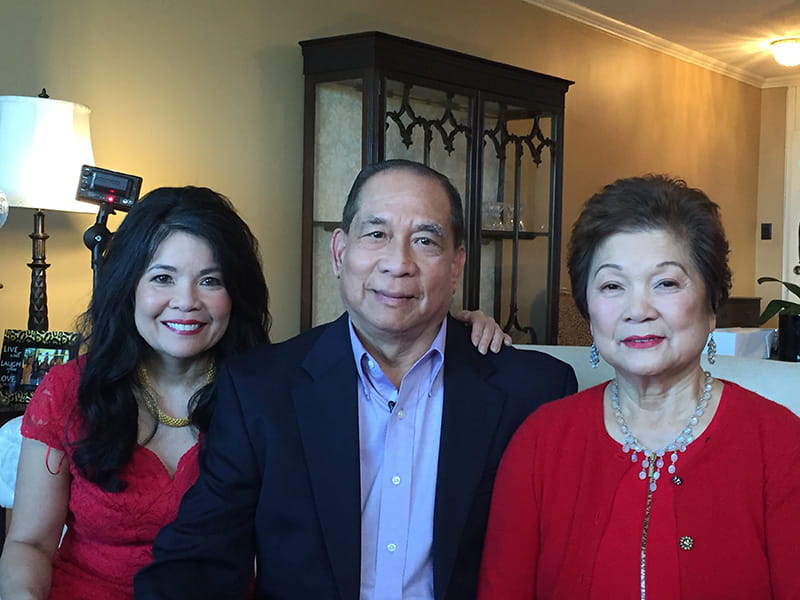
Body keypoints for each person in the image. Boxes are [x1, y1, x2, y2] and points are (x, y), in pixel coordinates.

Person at [0, 184, 509, 600]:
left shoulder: (265, 390)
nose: (186, 302)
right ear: (128, 286)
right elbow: (28, 542)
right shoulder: (72, 389)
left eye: (210, 281)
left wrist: (456, 330)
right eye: (162, 277)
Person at [134, 159, 578, 600]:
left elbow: (560, 567)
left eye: (424, 240)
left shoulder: (532, 392)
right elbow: (198, 560)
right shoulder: (260, 390)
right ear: (339, 253)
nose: (398, 263)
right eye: (376, 234)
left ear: (457, 264)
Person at [478, 175, 800, 599]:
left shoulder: (778, 442)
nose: (638, 310)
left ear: (711, 304)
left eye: (666, 283)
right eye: (613, 286)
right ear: (589, 311)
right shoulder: (540, 441)